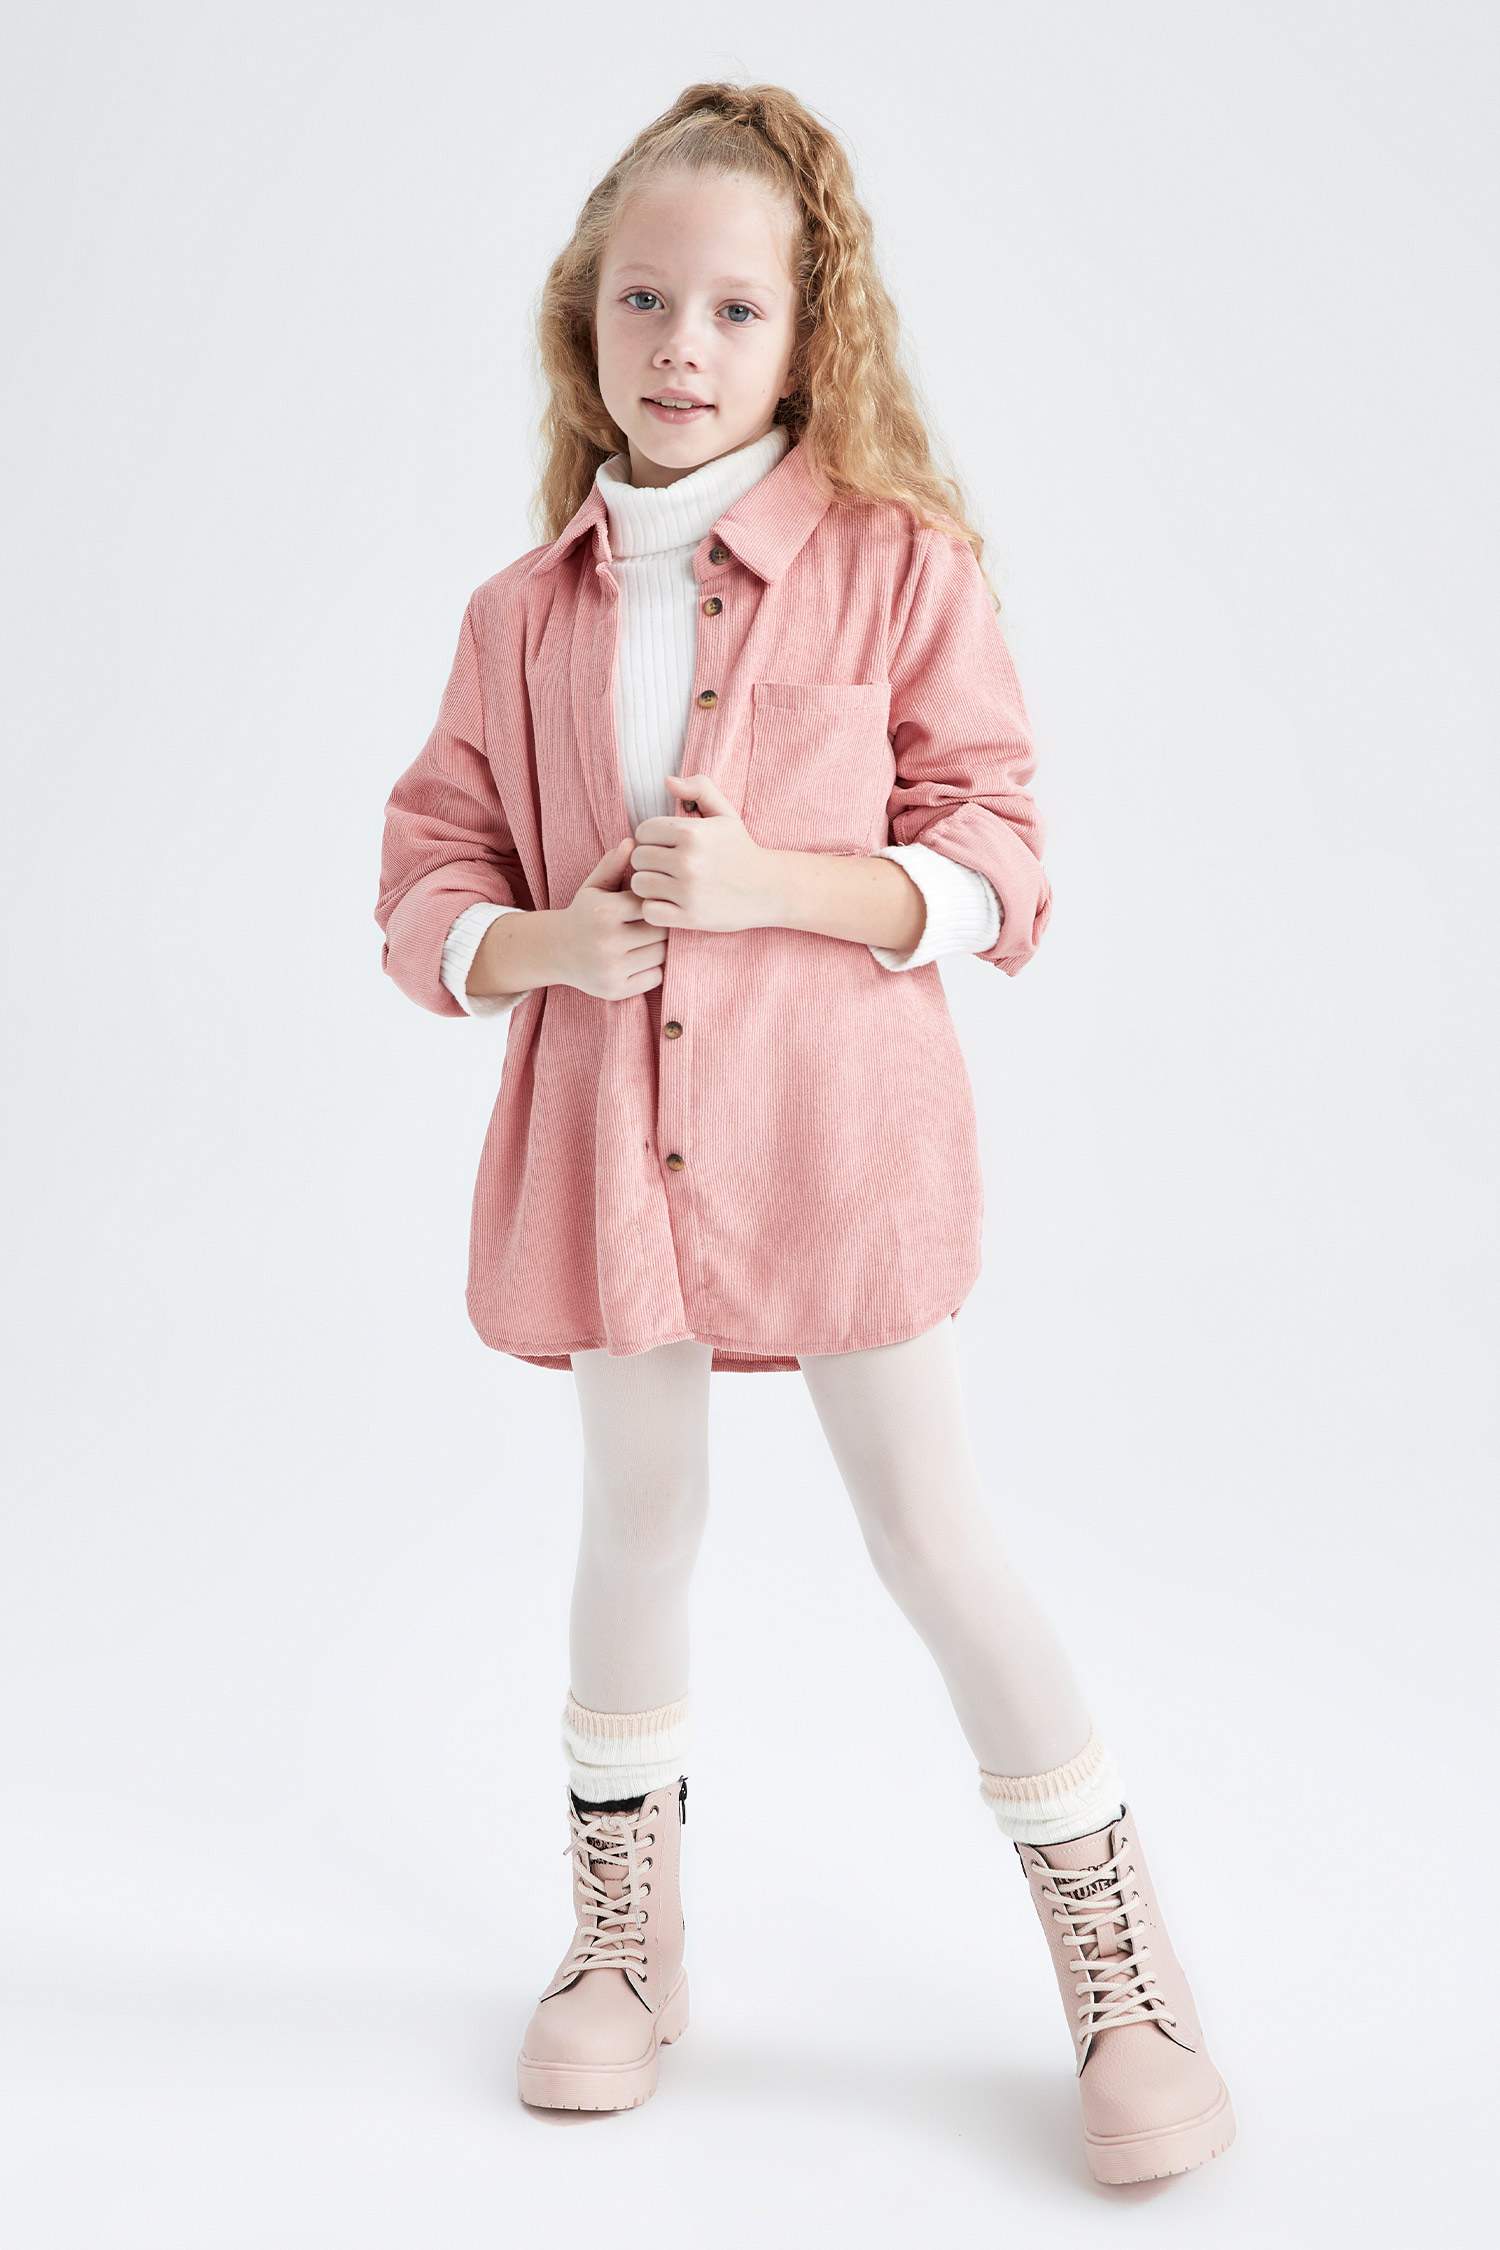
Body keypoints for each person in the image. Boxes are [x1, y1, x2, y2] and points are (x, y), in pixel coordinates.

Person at [373, 82, 1235, 2185]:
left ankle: (1123, 1971)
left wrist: (780, 886)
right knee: (634, 1519)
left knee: (930, 1528)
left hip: (842, 1149)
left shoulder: (897, 567)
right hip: (612, 1147)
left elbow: (1002, 856)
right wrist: (544, 944)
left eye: (734, 309)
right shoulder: (520, 615)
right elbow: (425, 872)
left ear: (804, 336)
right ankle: (624, 1945)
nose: (682, 345)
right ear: (584, 319)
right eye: (643, 300)